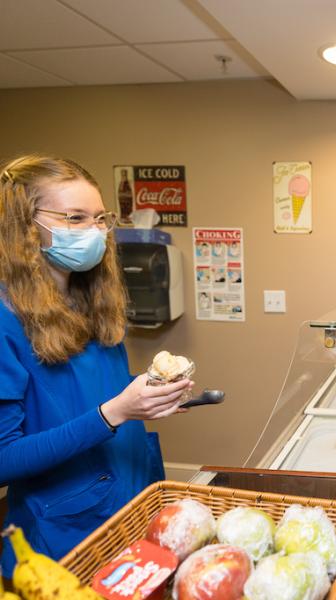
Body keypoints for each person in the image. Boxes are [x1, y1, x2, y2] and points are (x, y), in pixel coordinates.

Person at [0, 155, 192, 575]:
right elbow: (4, 458)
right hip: (65, 535)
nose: (95, 232)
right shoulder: (6, 321)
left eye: (100, 218)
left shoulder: (92, 299)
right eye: (75, 218)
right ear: (25, 226)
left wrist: (152, 393)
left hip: (128, 498)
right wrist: (117, 412)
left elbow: (86, 392)